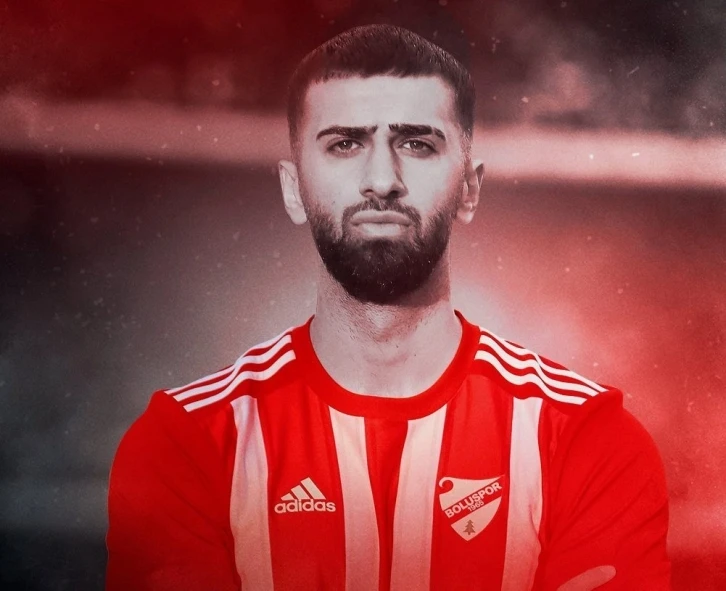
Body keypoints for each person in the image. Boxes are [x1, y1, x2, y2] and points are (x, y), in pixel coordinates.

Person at [106, 24, 670, 591]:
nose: (381, 180)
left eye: (417, 144)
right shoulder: (187, 443)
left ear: (469, 189)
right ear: (293, 189)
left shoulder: (585, 440)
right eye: (345, 144)